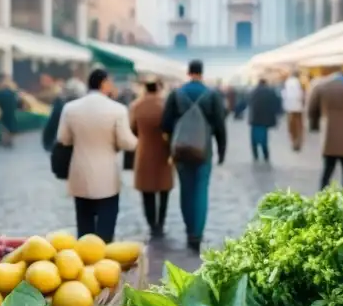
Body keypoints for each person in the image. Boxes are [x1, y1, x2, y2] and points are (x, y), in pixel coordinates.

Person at [57, 68, 137, 242]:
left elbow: (63, 138)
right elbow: (126, 142)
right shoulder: (118, 109)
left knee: (84, 223)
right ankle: (104, 260)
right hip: (107, 175)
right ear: (104, 83)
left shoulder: (70, 108)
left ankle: (85, 262)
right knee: (106, 223)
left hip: (80, 172)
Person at [162, 60, 228, 252]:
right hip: (203, 150)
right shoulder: (212, 94)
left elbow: (165, 124)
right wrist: (222, 150)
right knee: (200, 190)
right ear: (202, 72)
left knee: (186, 189)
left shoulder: (176, 94)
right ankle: (196, 235)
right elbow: (220, 126)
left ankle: (188, 228)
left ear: (188, 72)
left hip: (181, 150)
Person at [130, 78, 173, 238]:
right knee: (163, 191)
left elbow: (132, 128)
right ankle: (161, 223)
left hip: (144, 151)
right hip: (163, 151)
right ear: (159, 87)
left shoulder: (136, 106)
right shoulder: (165, 105)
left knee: (147, 191)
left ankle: (152, 224)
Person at [247, 78, 282, 162]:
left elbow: (248, 102)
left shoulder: (253, 91)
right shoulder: (270, 91)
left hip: (255, 119)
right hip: (266, 119)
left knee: (254, 138)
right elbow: (277, 103)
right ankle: (265, 154)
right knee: (264, 138)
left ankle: (255, 155)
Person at [0, 75, 21, 148]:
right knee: (9, 125)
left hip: (3, 112)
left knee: (4, 126)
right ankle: (9, 141)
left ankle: (5, 141)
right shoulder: (12, 93)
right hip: (10, 112)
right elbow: (17, 102)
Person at [283, 70, 306, 151]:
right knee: (299, 127)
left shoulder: (287, 82)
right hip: (298, 108)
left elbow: (284, 94)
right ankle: (298, 143)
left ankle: (293, 142)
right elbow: (300, 95)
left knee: (291, 127)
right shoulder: (299, 82)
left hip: (289, 108)